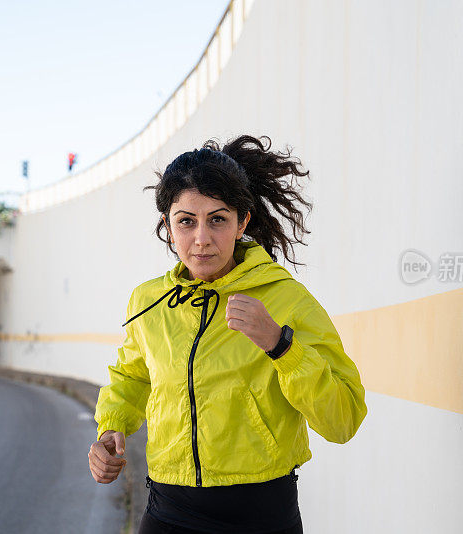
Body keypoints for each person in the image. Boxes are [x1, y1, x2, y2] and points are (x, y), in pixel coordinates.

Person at [88, 134, 368, 534]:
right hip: (168, 509)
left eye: (217, 219)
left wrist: (281, 345)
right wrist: (110, 428)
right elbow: (133, 376)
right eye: (186, 221)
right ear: (167, 226)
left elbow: (343, 417)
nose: (201, 238)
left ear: (243, 223)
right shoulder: (147, 302)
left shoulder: (285, 299)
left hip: (260, 515)